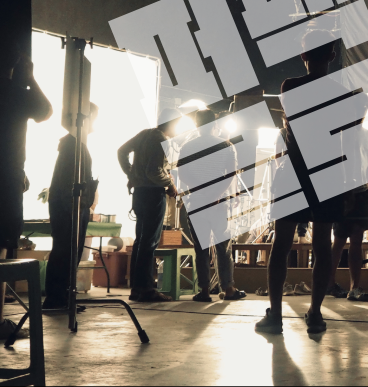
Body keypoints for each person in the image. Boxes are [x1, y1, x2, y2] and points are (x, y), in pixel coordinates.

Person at [255, 30, 348, 335]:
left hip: (294, 170)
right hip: (327, 172)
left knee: (281, 244)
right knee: (322, 246)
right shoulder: (341, 93)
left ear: (303, 55)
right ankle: (315, 313)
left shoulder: (290, 86)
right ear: (332, 55)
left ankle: (276, 316)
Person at [0, 47, 52, 339]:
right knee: (1, 249)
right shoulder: (16, 94)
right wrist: (30, 78)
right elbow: (45, 111)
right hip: (6, 181)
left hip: (10, 175)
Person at [178, 108, 246, 303]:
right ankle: (229, 288)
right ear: (214, 123)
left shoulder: (187, 146)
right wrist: (215, 194)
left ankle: (205, 291)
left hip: (197, 202)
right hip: (219, 202)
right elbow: (231, 173)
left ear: (197, 125)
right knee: (223, 247)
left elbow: (182, 173)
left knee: (201, 248)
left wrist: (201, 190)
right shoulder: (226, 145)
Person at [117, 109, 180, 303]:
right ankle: (146, 289)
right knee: (149, 242)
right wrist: (170, 184)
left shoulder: (144, 134)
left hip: (139, 193)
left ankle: (137, 288)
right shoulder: (161, 139)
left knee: (140, 241)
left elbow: (121, 151)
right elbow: (154, 171)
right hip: (153, 194)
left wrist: (131, 173)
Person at [43, 103, 99, 310]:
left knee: (67, 252)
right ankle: (57, 297)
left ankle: (62, 296)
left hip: (71, 206)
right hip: (70, 207)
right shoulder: (73, 147)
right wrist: (74, 209)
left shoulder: (73, 145)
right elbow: (68, 183)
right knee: (65, 252)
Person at [326, 97, 368, 302]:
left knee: (357, 241)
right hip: (343, 192)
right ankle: (330, 283)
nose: (362, 110)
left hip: (362, 193)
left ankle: (354, 287)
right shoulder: (340, 134)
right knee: (339, 240)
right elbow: (338, 164)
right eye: (359, 106)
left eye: (365, 106)